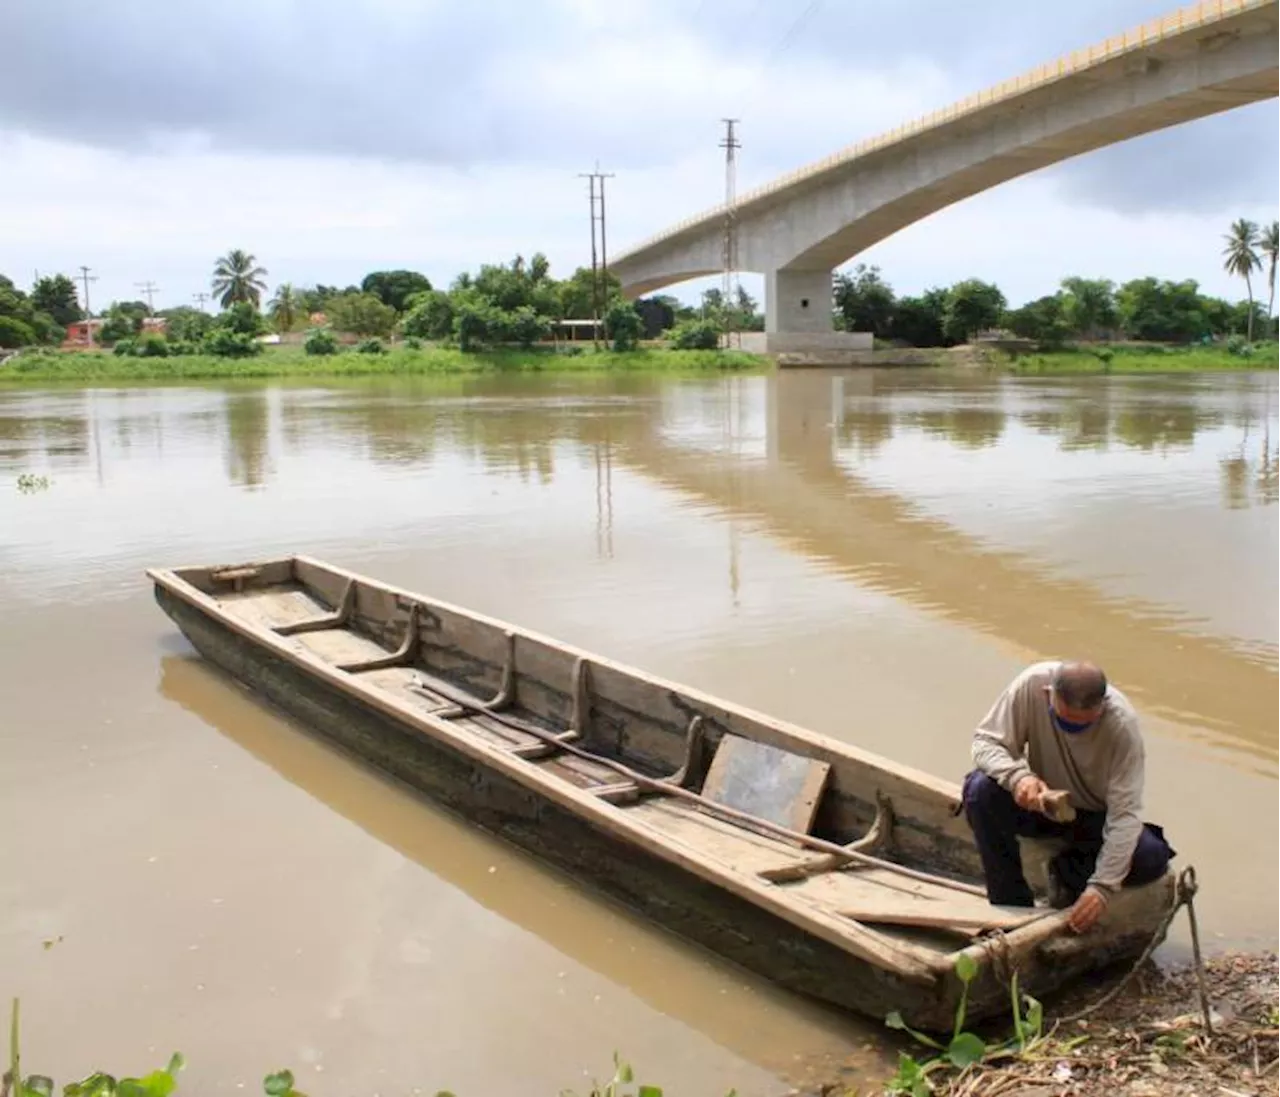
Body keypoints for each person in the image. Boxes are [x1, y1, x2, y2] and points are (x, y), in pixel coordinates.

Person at [961, 660, 1174, 935]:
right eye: (1063, 720)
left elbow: (1124, 814)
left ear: (1102, 708)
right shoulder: (1031, 685)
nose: (1073, 730)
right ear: (1048, 694)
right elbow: (985, 742)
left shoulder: (1122, 725)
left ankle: (1068, 874)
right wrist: (1018, 777)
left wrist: (1102, 887)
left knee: (1150, 858)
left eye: (1084, 725)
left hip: (1092, 816)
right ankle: (1010, 903)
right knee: (980, 791)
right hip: (1041, 802)